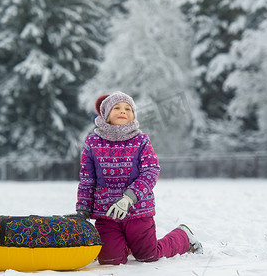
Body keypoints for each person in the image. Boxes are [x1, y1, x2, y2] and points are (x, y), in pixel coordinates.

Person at [75, 91, 203, 265]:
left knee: (148, 256)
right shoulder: (93, 143)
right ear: (105, 114)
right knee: (110, 260)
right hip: (106, 215)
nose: (123, 111)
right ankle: (122, 244)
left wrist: (129, 198)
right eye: (116, 108)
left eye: (128, 108)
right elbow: (87, 180)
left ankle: (183, 237)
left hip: (138, 212)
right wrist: (83, 209)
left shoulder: (141, 141)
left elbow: (151, 171)